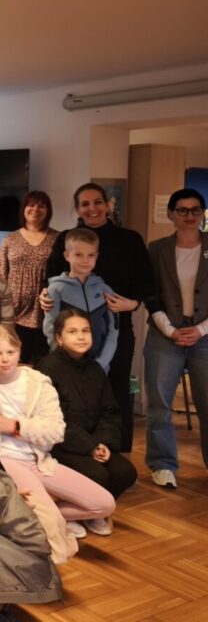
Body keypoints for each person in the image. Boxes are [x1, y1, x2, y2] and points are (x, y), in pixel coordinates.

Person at [0, 326, 111, 555]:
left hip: (39, 460)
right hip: (5, 461)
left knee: (104, 503)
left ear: (19, 350)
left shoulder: (38, 383)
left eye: (10, 352)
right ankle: (42, 523)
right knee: (49, 522)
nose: (5, 359)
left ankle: (30, 516)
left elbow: (56, 431)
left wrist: (16, 426)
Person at [45, 182, 154, 452]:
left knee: (115, 392)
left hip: (113, 333)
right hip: (71, 339)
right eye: (84, 204)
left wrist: (133, 303)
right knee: (73, 397)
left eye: (97, 202)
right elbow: (50, 281)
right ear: (77, 209)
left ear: (108, 205)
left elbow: (147, 282)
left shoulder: (130, 239)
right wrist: (44, 297)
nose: (91, 208)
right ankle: (77, 451)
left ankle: (116, 452)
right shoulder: (66, 238)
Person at [38, 310, 137, 533]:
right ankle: (70, 513)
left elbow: (110, 410)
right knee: (96, 474)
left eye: (86, 331)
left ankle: (93, 512)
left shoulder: (95, 369)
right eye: (73, 332)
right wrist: (90, 446)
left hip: (94, 442)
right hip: (60, 444)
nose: (81, 337)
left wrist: (103, 443)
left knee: (125, 472)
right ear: (59, 338)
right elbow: (55, 420)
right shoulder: (47, 368)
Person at [144, 188, 208, 487]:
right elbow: (150, 294)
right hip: (164, 336)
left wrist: (201, 330)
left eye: (195, 209)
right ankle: (163, 464)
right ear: (171, 214)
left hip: (205, 336)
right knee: (159, 403)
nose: (189, 215)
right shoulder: (157, 249)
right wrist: (169, 329)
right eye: (182, 210)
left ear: (202, 213)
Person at [0, 190, 59, 364]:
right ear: (23, 209)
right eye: (31, 205)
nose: (35, 209)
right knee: (15, 362)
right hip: (14, 313)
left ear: (48, 211)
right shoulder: (10, 239)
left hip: (46, 311)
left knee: (43, 365)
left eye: (41, 206)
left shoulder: (58, 238)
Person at [44, 228, 118, 372]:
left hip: (99, 368)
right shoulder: (56, 290)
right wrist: (64, 361)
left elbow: (113, 332)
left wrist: (101, 363)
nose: (85, 260)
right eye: (78, 255)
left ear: (97, 256)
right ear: (67, 256)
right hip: (65, 367)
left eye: (90, 255)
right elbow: (50, 328)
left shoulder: (105, 290)